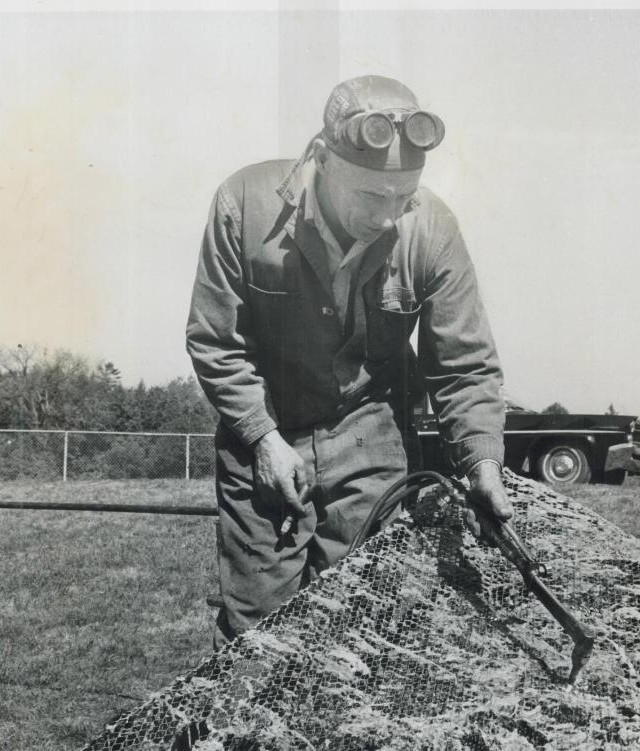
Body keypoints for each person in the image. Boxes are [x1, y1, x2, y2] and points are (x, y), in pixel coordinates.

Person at [187, 75, 511, 648]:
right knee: (257, 633)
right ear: (321, 159)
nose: (389, 218)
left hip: (368, 429)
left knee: (368, 620)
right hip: (264, 428)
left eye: (402, 198)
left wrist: (481, 463)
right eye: (370, 197)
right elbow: (216, 341)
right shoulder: (245, 203)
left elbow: (463, 364)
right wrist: (262, 440)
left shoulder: (432, 230)